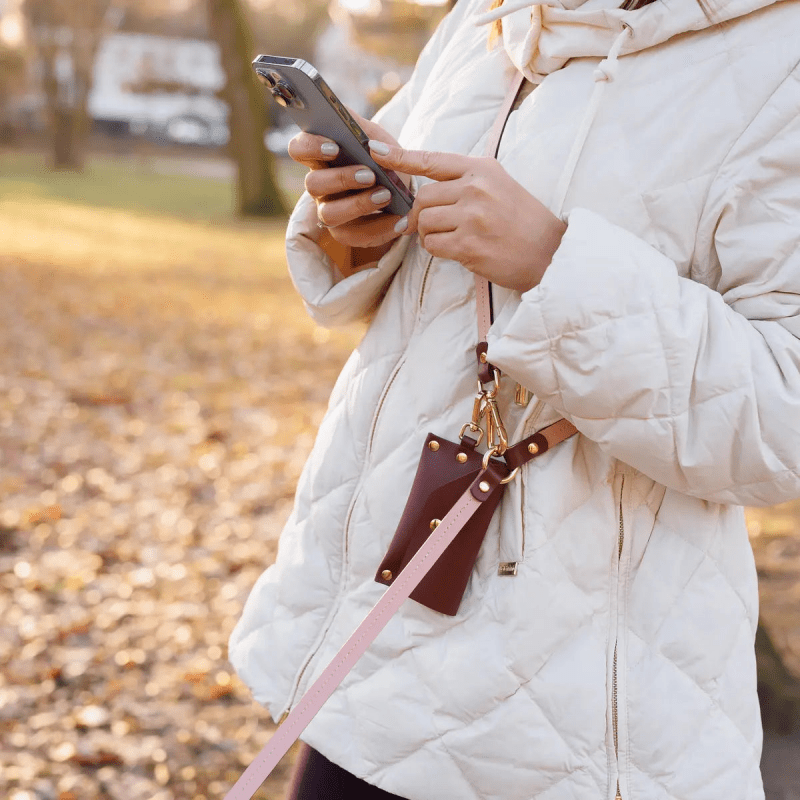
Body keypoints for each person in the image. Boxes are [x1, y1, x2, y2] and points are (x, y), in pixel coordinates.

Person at [228, 0, 800, 797]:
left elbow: (783, 418)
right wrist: (355, 226)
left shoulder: (783, 61)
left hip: (575, 714)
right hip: (376, 634)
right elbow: (413, 250)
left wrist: (552, 262)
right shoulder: (486, 16)